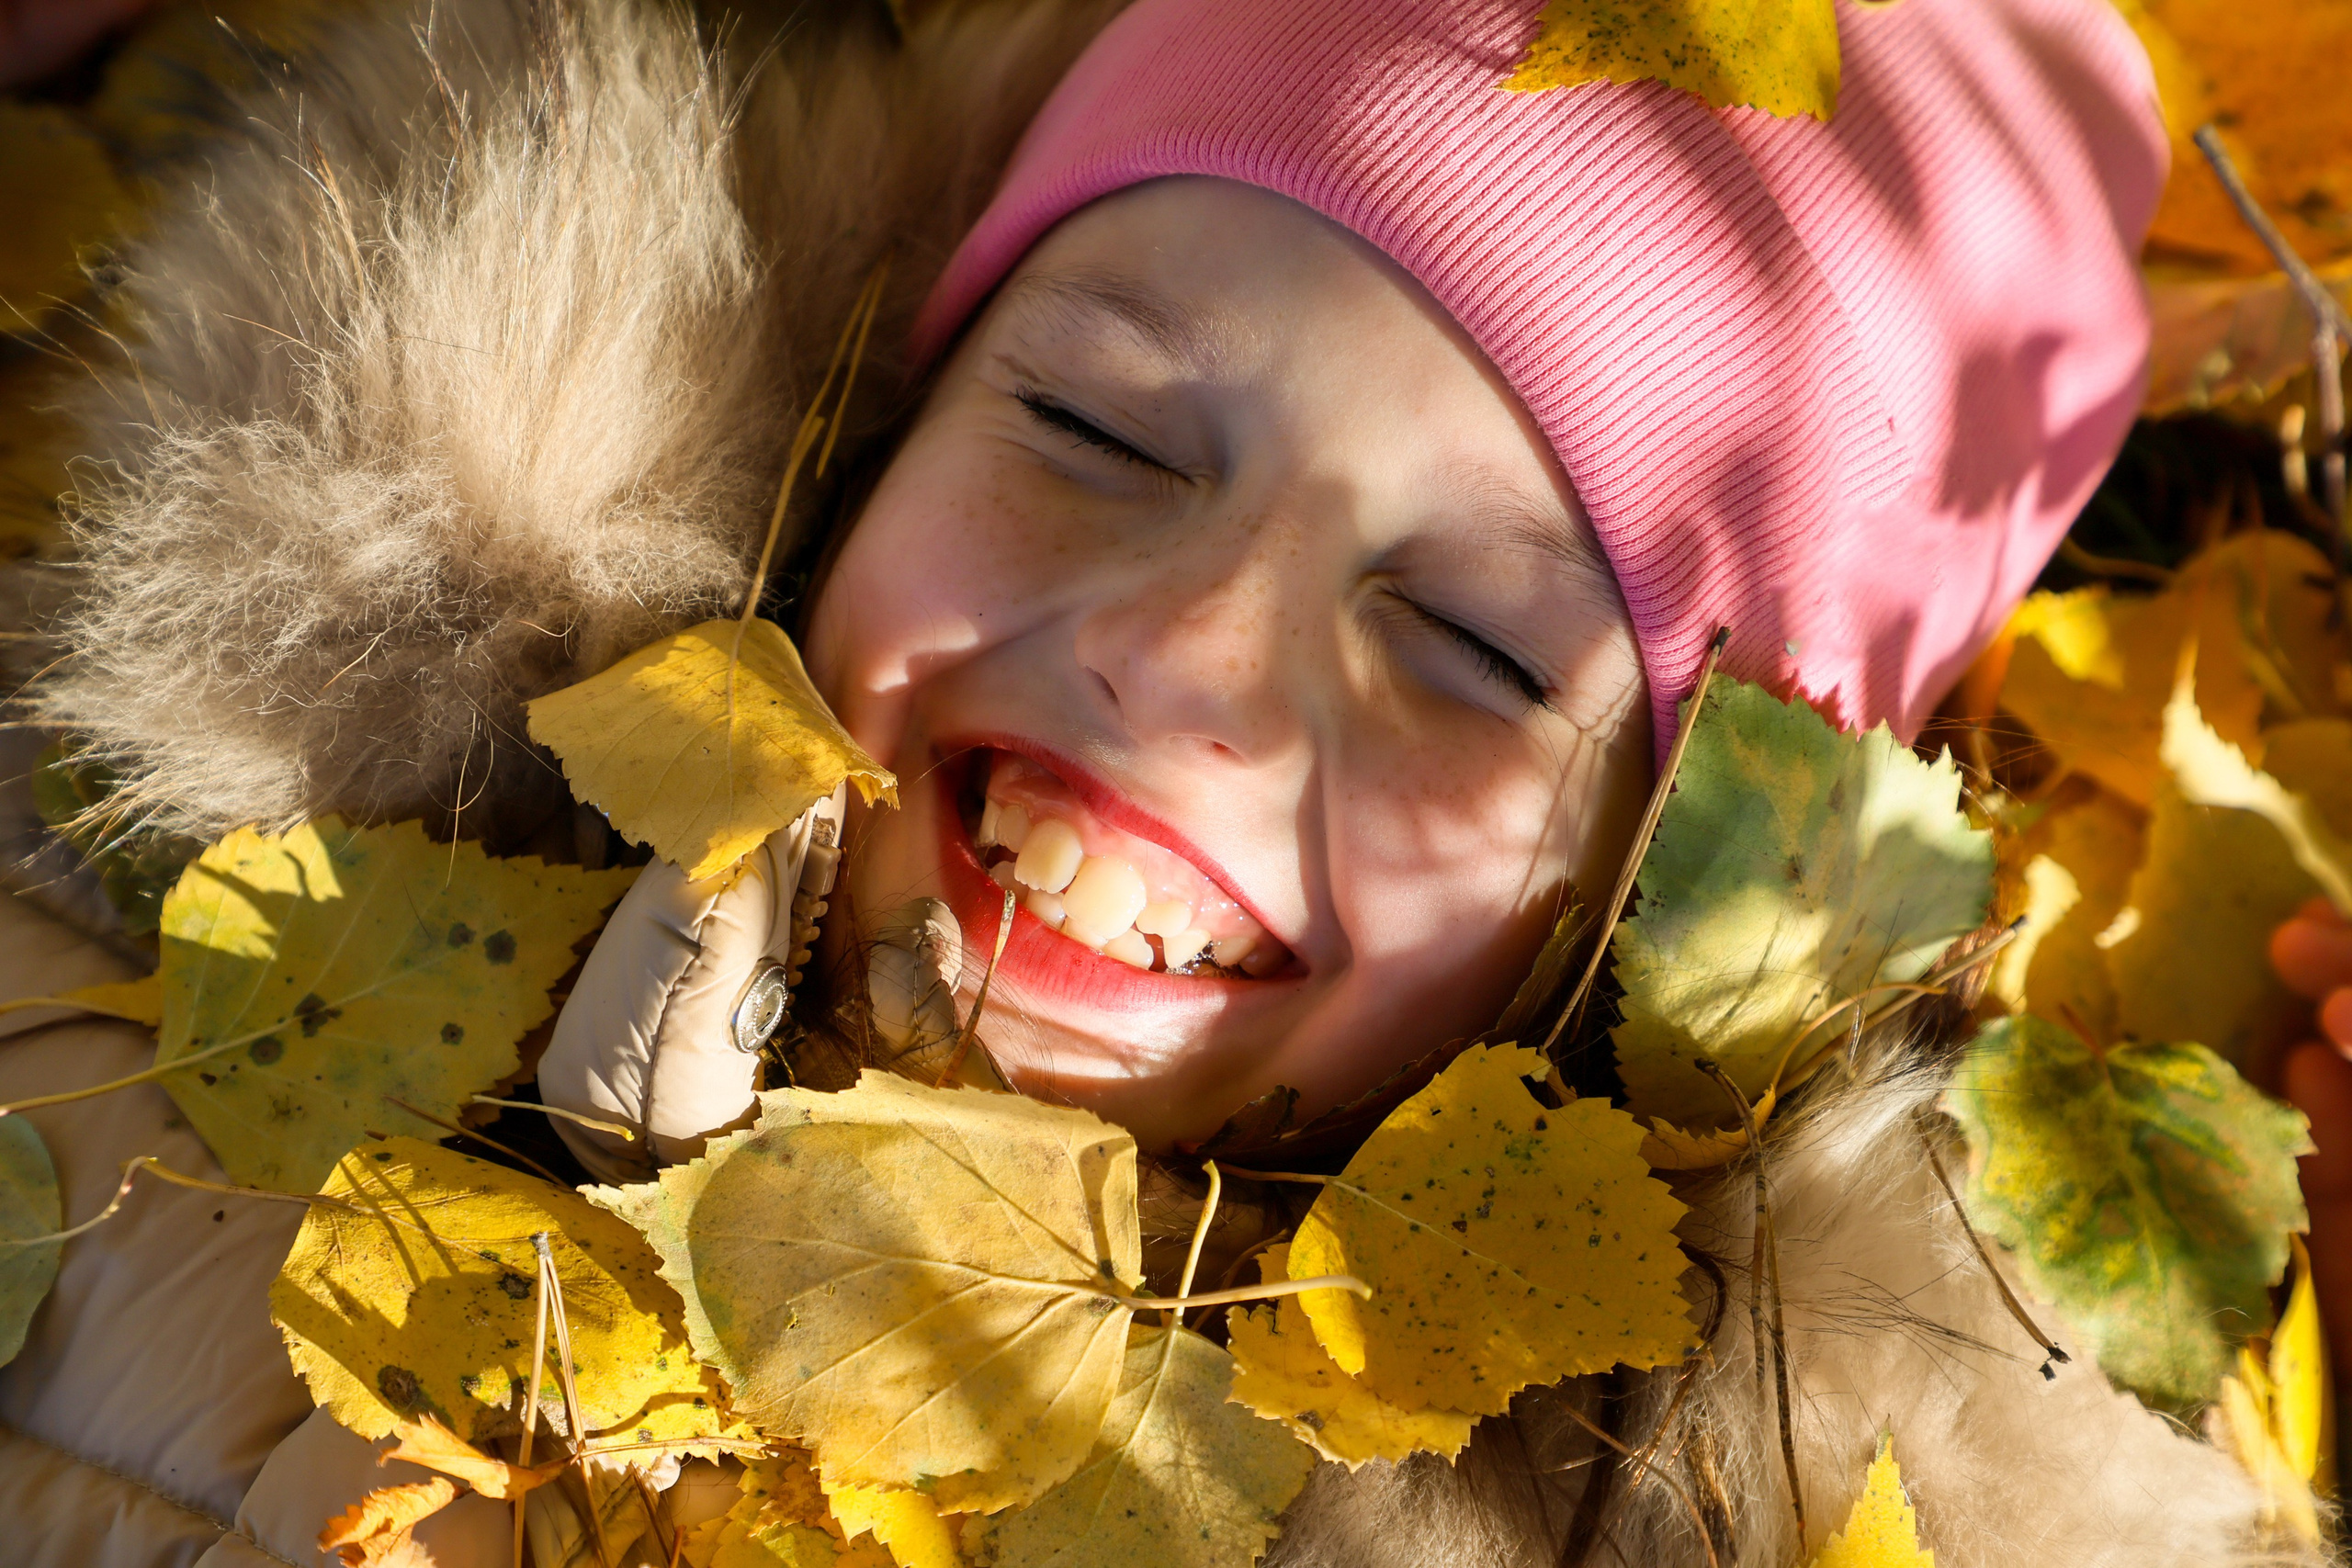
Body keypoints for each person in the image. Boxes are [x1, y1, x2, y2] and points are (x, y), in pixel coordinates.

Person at [0, 0, 2310, 1563]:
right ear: (862, 424)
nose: (1185, 655)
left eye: (1481, 644)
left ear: (1671, 909)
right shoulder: (131, 925)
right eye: (1095, 431)